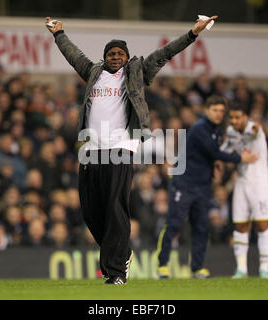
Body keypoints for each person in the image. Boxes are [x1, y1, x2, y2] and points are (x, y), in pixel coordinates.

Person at [46, 14, 217, 285]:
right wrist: (59, 34)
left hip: (122, 147)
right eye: (111, 53)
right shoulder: (93, 72)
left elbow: (165, 54)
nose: (116, 56)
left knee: (115, 207)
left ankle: (115, 272)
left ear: (127, 57)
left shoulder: (137, 72)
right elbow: (72, 54)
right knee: (91, 211)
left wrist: (192, 33)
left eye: (120, 53)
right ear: (105, 57)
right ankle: (122, 252)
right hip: (91, 149)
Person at [157, 96, 258, 279]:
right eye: (215, 110)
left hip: (203, 186)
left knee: (202, 227)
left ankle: (197, 268)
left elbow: (209, 155)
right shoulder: (199, 129)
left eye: (221, 111)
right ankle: (162, 265)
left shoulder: (217, 131)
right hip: (183, 182)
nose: (219, 114)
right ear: (207, 110)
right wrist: (240, 159)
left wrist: (216, 164)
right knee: (174, 224)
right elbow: (213, 151)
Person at [221, 104, 268, 278]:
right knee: (240, 225)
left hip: (260, 184)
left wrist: (257, 127)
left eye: (238, 117)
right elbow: (225, 151)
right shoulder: (231, 132)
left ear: (246, 117)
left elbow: (257, 130)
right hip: (241, 183)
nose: (234, 121)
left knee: (263, 224)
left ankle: (264, 268)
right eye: (232, 118)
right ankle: (241, 269)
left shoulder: (253, 129)